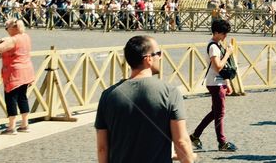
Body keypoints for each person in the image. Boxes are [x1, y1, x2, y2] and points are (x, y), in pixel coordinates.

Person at [95, 36, 195, 163]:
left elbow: (102, 148)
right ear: (148, 59)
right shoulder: (170, 92)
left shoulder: (108, 95)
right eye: (158, 53)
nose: (161, 57)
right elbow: (181, 142)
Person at [189, 18, 237, 152]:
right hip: (215, 82)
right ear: (216, 32)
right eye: (223, 33)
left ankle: (195, 135)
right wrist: (228, 53)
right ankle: (222, 142)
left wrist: (227, 82)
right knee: (220, 113)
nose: (225, 36)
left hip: (218, 81)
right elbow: (218, 67)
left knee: (215, 112)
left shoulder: (216, 44)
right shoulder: (213, 47)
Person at [0, 18, 35, 134]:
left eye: (7, 28)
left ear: (14, 28)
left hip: (14, 72)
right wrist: (6, 39)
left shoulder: (13, 40)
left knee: (11, 98)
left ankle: (11, 127)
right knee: (22, 97)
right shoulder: (25, 36)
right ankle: (25, 124)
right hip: (26, 70)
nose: (6, 30)